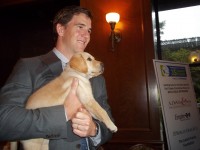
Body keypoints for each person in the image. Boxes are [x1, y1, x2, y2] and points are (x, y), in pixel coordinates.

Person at [0, 5, 114, 150]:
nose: (86, 35)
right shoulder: (29, 67)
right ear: (61, 29)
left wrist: (94, 130)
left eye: (89, 30)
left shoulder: (96, 77)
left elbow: (109, 126)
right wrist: (64, 113)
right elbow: (4, 121)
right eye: (80, 27)